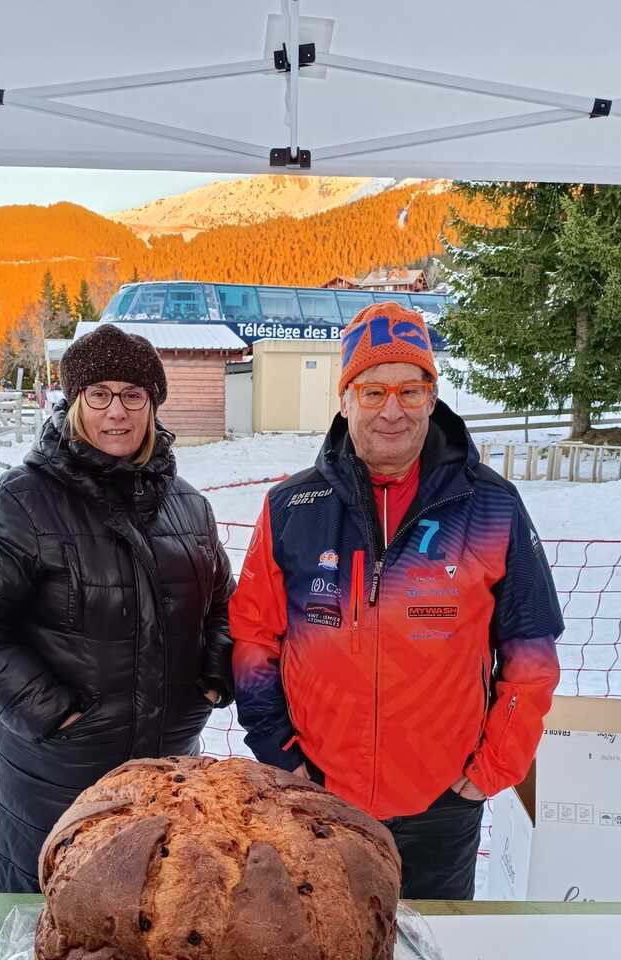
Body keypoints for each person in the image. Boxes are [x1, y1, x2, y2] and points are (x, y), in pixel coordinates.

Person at [229, 301, 564, 900]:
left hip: (443, 807)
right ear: (345, 398)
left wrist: (487, 772)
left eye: (411, 391)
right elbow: (255, 642)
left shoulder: (491, 506)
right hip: (321, 800)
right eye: (373, 390)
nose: (392, 410)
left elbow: (531, 653)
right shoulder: (291, 508)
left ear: (433, 399)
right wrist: (285, 761)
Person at [0, 324, 235, 892]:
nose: (115, 412)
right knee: (48, 925)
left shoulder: (189, 507)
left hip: (168, 769)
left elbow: (223, 604)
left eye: (132, 395)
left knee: (151, 919)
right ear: (74, 403)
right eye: (97, 394)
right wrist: (56, 714)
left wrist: (214, 678)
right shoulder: (21, 502)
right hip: (57, 775)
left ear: (152, 404)